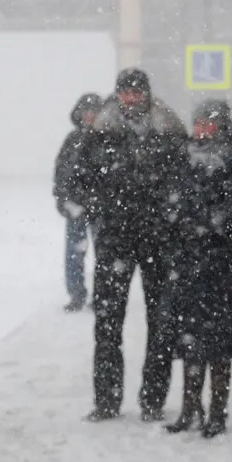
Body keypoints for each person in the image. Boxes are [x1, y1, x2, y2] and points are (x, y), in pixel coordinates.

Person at [75, 68, 186, 421]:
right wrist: (100, 208)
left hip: (158, 238)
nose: (132, 98)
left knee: (162, 321)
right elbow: (79, 179)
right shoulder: (100, 133)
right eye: (126, 92)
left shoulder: (168, 129)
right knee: (108, 322)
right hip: (115, 238)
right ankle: (106, 400)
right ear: (118, 94)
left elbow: (183, 179)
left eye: (137, 92)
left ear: (147, 94)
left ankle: (153, 400)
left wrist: (170, 212)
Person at [162, 98, 232, 437]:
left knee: (220, 340)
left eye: (209, 122)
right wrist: (181, 222)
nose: (202, 128)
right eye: (198, 122)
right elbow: (170, 198)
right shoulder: (182, 158)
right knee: (189, 339)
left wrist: (211, 224)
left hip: (221, 261)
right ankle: (189, 407)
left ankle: (218, 410)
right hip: (187, 261)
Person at [54, 92, 103, 311]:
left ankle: (102, 296)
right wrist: (63, 199)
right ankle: (76, 295)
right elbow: (61, 172)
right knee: (74, 254)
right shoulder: (72, 140)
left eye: (94, 112)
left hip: (103, 207)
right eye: (86, 112)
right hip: (76, 208)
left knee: (104, 255)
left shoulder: (108, 140)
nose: (89, 116)